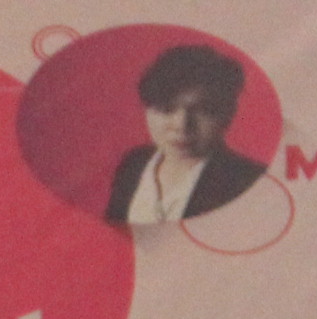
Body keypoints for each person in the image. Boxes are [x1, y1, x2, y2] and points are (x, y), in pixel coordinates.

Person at [102, 44, 266, 226]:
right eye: (167, 109)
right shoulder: (133, 163)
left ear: (227, 114)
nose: (181, 125)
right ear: (146, 110)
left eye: (203, 111)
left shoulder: (249, 180)